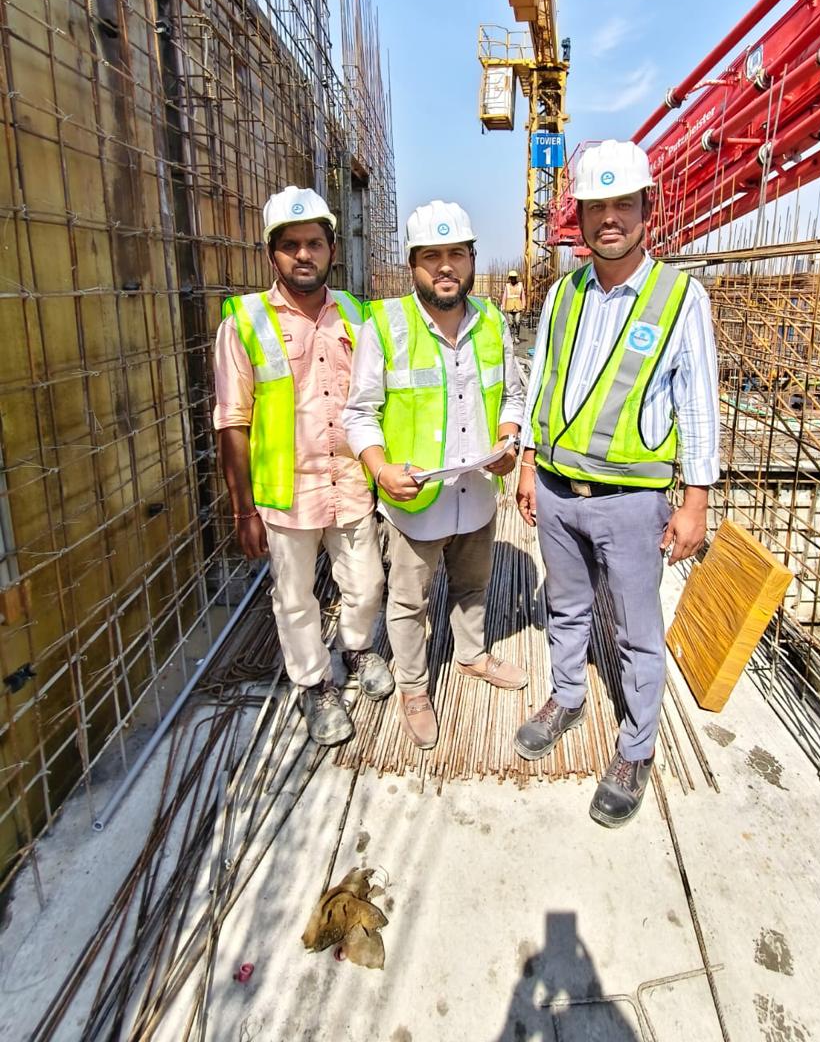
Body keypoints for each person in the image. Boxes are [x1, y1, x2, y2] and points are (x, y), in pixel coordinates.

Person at [513, 140, 720, 828]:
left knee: (636, 632)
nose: (608, 218)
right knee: (566, 608)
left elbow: (697, 403)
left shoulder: (678, 298)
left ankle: (636, 749)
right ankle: (567, 697)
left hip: (631, 505)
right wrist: (524, 463)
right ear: (581, 216)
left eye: (620, 204)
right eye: (595, 206)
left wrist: (696, 499)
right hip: (555, 490)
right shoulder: (563, 293)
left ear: (646, 209)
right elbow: (539, 379)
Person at [343, 200, 527, 750]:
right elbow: (359, 412)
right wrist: (379, 471)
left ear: (471, 260)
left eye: (456, 255)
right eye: (431, 257)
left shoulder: (492, 321)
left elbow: (514, 394)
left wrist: (508, 441)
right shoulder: (385, 323)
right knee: (408, 601)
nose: (445, 267)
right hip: (415, 500)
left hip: (476, 493)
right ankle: (414, 687)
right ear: (413, 265)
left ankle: (470, 654)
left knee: (473, 585)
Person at [214, 185, 394, 747]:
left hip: (350, 482)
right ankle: (314, 685)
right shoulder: (244, 321)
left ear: (332, 249)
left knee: (366, 585)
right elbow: (231, 419)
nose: (304, 255)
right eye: (290, 245)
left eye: (314, 243)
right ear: (273, 254)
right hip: (286, 492)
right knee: (294, 598)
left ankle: (358, 649)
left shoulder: (361, 316)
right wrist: (243, 509)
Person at [500, 268, 526, 339]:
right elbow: (504, 297)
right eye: (511, 278)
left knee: (517, 322)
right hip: (509, 307)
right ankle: (511, 336)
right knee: (510, 323)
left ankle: (516, 336)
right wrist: (503, 306)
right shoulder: (507, 286)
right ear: (510, 278)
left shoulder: (520, 285)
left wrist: (523, 305)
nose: (513, 279)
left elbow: (523, 296)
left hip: (518, 307)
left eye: (514, 278)